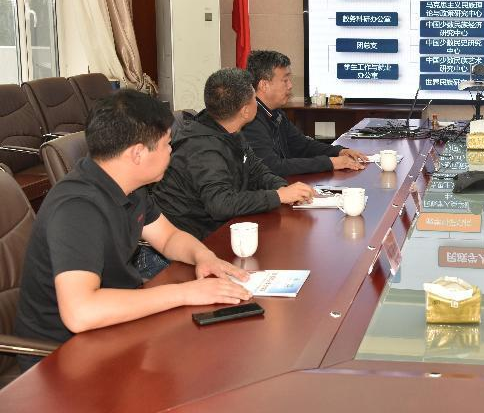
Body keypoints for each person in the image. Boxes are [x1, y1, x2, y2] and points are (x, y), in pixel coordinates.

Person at [14, 90, 253, 372]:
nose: (171, 151)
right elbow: (81, 312)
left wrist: (204, 257)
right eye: (167, 144)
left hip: (115, 329)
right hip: (63, 358)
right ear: (137, 153)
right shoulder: (77, 208)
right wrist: (184, 293)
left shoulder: (129, 185)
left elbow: (169, 237)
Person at [151, 68, 315, 258]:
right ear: (245, 111)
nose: (257, 102)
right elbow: (221, 204)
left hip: (216, 233)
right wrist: (278, 196)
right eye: (254, 98)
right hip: (187, 247)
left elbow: (257, 170)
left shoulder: (229, 128)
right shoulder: (203, 149)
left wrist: (284, 188)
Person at [243, 50, 367, 176]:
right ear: (264, 85)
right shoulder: (250, 120)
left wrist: (339, 152)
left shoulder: (276, 113)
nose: (290, 85)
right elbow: (272, 167)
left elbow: (303, 145)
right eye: (285, 80)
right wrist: (330, 163)